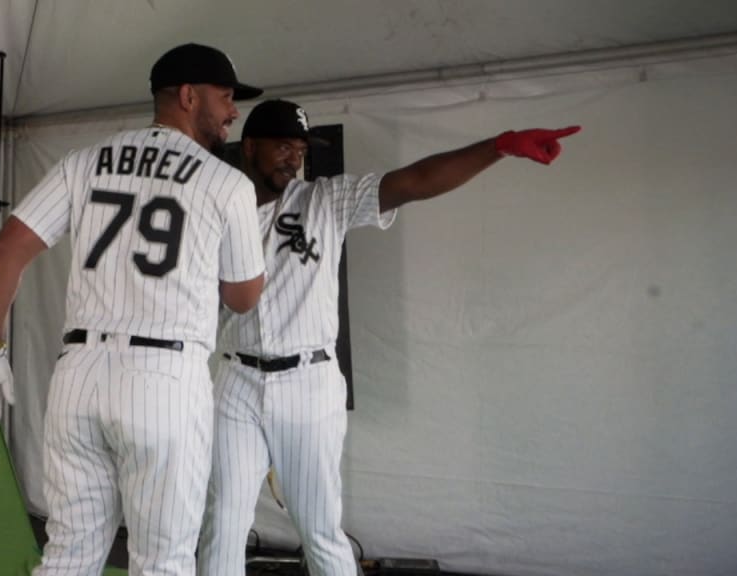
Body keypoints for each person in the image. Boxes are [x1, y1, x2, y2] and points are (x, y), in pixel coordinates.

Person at [197, 99, 580, 576]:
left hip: (307, 381)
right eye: (282, 147)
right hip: (236, 379)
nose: (293, 158)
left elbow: (413, 182)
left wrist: (498, 147)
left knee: (319, 529)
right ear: (249, 146)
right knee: (222, 523)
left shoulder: (324, 200)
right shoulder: (215, 210)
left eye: (299, 149)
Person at [0, 43, 267, 576]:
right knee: (163, 561)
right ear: (189, 96)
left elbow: (6, 250)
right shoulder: (227, 182)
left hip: (78, 376)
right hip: (164, 379)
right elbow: (242, 298)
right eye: (225, 97)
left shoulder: (84, 161)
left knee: (68, 556)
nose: (233, 111)